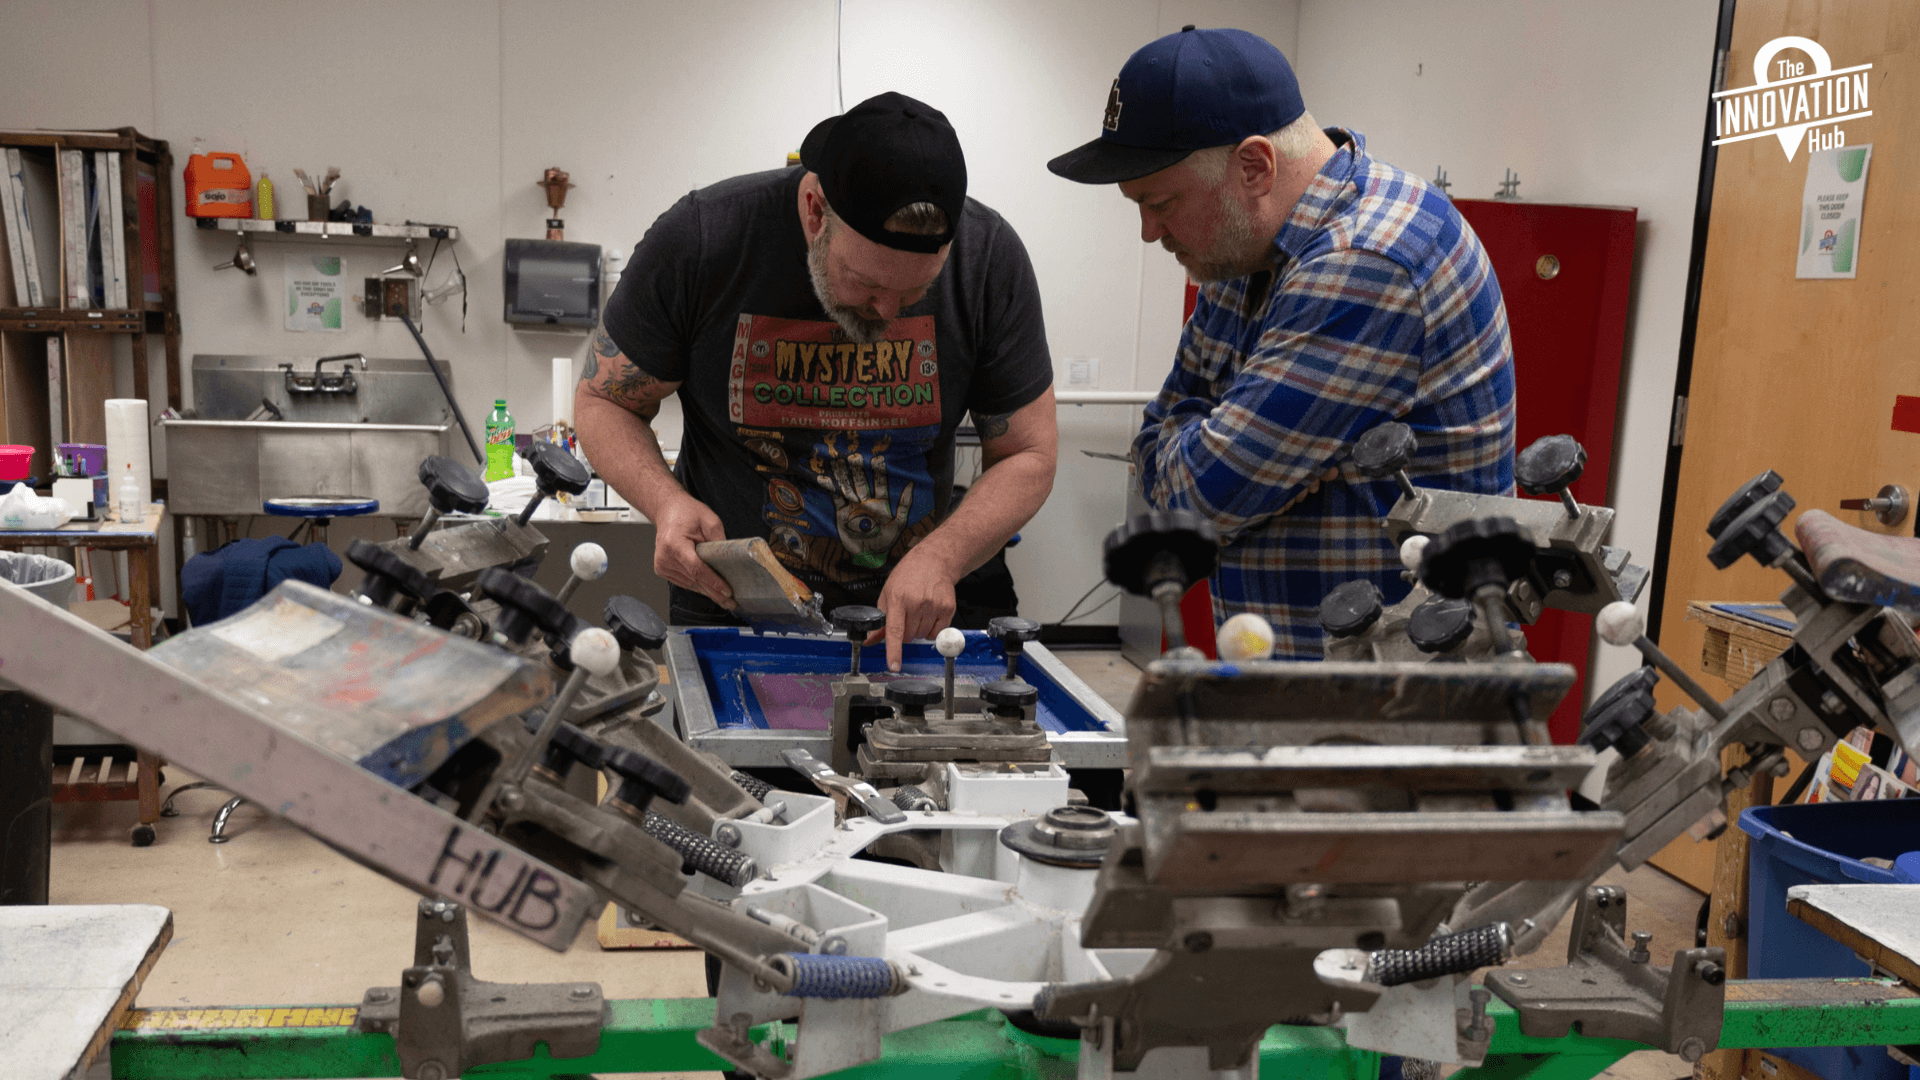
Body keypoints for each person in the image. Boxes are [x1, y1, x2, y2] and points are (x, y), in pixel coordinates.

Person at [1048, 27, 1516, 658]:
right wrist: (1188, 441)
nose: (1148, 231)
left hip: (1396, 699)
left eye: (1161, 202)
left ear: (1255, 166)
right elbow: (1160, 430)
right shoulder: (1246, 249)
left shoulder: (1365, 262)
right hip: (1303, 683)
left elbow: (1197, 501)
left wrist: (1191, 441)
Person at [577, 92, 1058, 671]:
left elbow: (1029, 451)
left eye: (913, 293)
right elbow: (605, 399)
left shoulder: (988, 259)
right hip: (732, 609)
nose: (886, 309)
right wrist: (667, 503)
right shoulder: (706, 238)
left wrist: (944, 558)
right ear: (814, 211)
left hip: (910, 621)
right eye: (865, 281)